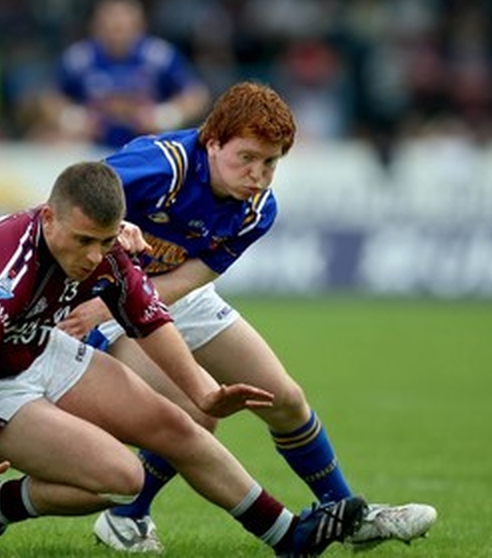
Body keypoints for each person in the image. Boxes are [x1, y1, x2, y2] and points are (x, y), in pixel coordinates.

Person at [0, 160, 368, 556]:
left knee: (180, 425)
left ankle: (288, 535)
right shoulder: (6, 261)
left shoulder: (110, 250)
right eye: (83, 240)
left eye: (103, 242)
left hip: (36, 345)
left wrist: (206, 394)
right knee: (122, 478)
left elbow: (151, 323)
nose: (93, 256)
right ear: (47, 218)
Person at [56, 82, 438, 552]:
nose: (258, 174)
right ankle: (125, 515)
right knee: (197, 410)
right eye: (247, 158)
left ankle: (346, 515)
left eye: (271, 162)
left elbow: (188, 280)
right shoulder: (160, 166)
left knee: (285, 399)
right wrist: (99, 299)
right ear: (213, 142)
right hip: (100, 299)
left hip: (163, 292)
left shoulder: (257, 210)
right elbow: (70, 205)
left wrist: (132, 296)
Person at [38, 0, 211, 150]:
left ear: (140, 26)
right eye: (111, 26)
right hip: (91, 147)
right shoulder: (79, 58)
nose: (117, 34)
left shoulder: (159, 56)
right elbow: (49, 98)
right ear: (96, 26)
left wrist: (164, 115)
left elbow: (196, 95)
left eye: (123, 26)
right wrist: (74, 119)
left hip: (148, 148)